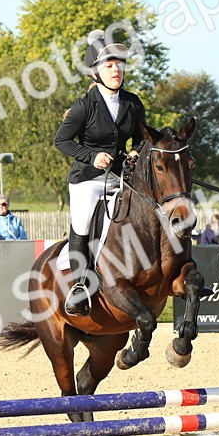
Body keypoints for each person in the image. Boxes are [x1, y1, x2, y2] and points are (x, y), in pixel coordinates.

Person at [53, 29, 146, 315]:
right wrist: (92, 156)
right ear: (94, 72)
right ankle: (80, 285)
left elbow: (142, 137)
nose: (117, 69)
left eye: (119, 64)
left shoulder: (132, 103)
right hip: (88, 179)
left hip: (121, 176)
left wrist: (136, 151)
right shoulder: (84, 107)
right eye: (109, 65)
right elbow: (61, 141)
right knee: (82, 223)